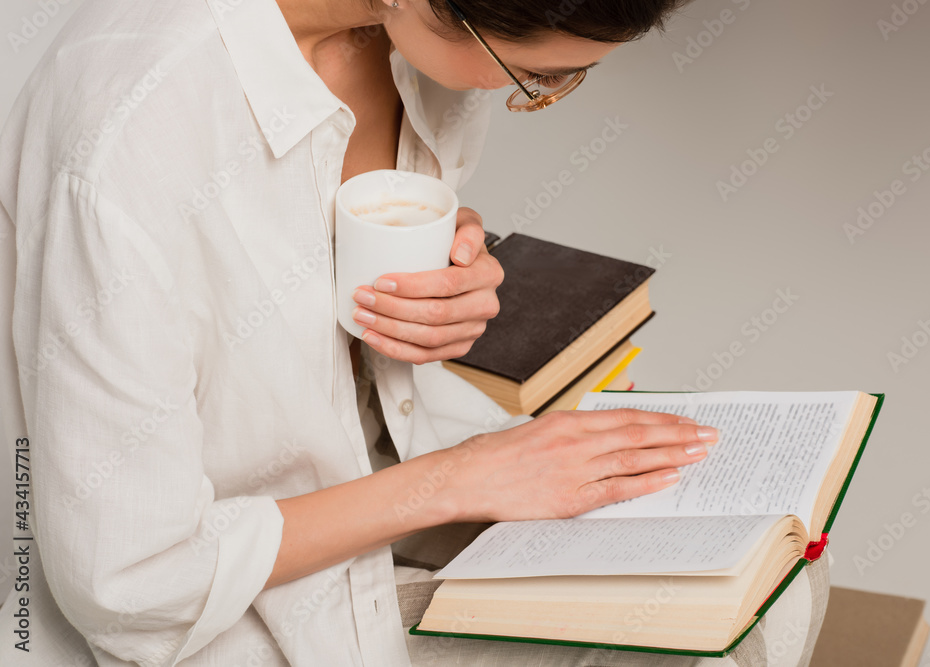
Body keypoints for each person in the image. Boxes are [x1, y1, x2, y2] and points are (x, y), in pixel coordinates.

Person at [0, 0, 828, 664]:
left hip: (367, 483)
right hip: (213, 608)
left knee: (771, 570)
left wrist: (445, 287)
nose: (531, 98)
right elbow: (130, 582)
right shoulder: (129, 145)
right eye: (541, 76)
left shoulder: (403, 47)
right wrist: (462, 478)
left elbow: (282, 294)